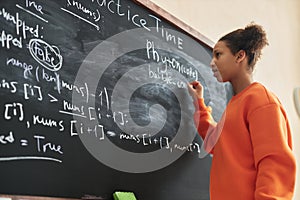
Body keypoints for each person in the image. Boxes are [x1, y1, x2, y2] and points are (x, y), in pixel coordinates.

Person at [188, 23, 296, 200]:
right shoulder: (236, 104)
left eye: (218, 55)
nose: (212, 62)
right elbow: (215, 142)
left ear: (240, 56)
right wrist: (199, 103)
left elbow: (275, 163)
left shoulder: (260, 100)